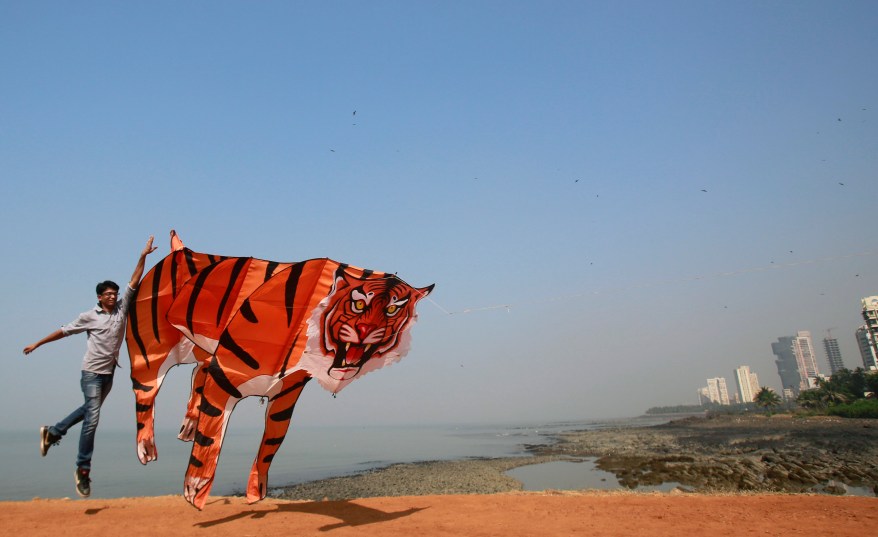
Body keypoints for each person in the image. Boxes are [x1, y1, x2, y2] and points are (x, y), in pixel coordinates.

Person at [23, 236, 157, 497]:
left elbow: (134, 279)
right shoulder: (89, 316)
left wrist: (143, 256)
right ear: (99, 297)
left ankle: (52, 432)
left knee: (88, 410)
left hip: (108, 375)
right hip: (91, 374)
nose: (113, 296)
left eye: (115, 293)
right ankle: (83, 470)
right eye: (108, 294)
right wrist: (38, 343)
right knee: (93, 418)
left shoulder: (121, 308)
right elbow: (64, 331)